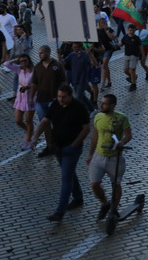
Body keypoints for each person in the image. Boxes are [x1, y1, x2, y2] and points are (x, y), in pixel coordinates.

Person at [31, 85, 90, 222]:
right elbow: (45, 121)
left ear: (70, 96)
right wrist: (35, 137)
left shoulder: (79, 107)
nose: (60, 99)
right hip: (57, 147)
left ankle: (60, 211)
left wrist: (74, 144)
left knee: (66, 179)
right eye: (58, 96)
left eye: (63, 97)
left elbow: (86, 128)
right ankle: (78, 197)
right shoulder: (55, 106)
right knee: (68, 172)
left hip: (71, 149)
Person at [87, 94, 132, 221]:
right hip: (99, 155)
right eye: (101, 103)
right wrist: (91, 154)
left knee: (115, 184)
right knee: (94, 184)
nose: (101, 105)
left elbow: (128, 135)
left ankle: (114, 208)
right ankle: (104, 203)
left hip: (114, 157)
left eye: (105, 103)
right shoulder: (98, 117)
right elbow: (95, 136)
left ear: (112, 105)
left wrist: (122, 142)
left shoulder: (121, 118)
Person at [29, 45, 67, 158]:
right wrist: (31, 97)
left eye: (42, 53)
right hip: (41, 100)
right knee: (44, 124)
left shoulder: (57, 65)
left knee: (56, 123)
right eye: (39, 53)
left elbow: (63, 81)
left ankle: (58, 142)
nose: (39, 55)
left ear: (48, 52)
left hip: (54, 99)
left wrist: (63, 95)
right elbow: (34, 83)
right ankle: (49, 144)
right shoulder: (38, 67)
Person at [3, 53, 37, 150]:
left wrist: (28, 87)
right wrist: (15, 60)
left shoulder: (34, 71)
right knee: (18, 120)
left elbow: (37, 84)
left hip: (30, 97)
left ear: (29, 60)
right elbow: (6, 64)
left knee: (29, 120)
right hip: (20, 97)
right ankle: (32, 133)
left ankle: (28, 140)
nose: (23, 63)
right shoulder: (19, 69)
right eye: (21, 61)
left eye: (25, 61)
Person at [120, 24, 145, 91]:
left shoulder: (136, 38)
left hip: (134, 55)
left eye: (132, 30)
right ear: (128, 30)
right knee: (125, 70)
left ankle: (133, 84)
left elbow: (140, 46)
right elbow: (121, 43)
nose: (131, 32)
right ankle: (133, 77)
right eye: (130, 30)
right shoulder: (125, 37)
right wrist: (117, 45)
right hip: (126, 55)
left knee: (132, 70)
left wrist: (142, 55)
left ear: (134, 30)